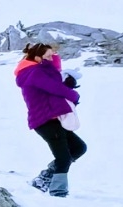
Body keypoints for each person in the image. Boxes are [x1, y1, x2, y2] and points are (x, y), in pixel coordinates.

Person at [16, 42, 85, 197]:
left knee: (79, 148)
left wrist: (67, 85)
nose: (51, 59)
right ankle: (58, 191)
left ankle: (44, 178)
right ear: (38, 58)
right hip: (45, 121)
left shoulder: (36, 71)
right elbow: (56, 88)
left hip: (53, 120)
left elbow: (53, 86)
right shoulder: (34, 73)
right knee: (64, 158)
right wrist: (73, 94)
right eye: (48, 56)